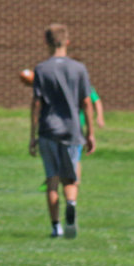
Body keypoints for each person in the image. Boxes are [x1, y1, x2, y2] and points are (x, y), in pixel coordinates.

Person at [29, 23, 96, 238]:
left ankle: (56, 226)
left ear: (46, 42)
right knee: (70, 178)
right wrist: (90, 133)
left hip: (48, 130)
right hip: (72, 131)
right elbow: (86, 102)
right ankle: (71, 204)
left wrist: (33, 135)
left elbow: (37, 103)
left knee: (52, 179)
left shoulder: (41, 69)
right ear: (67, 42)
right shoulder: (79, 69)